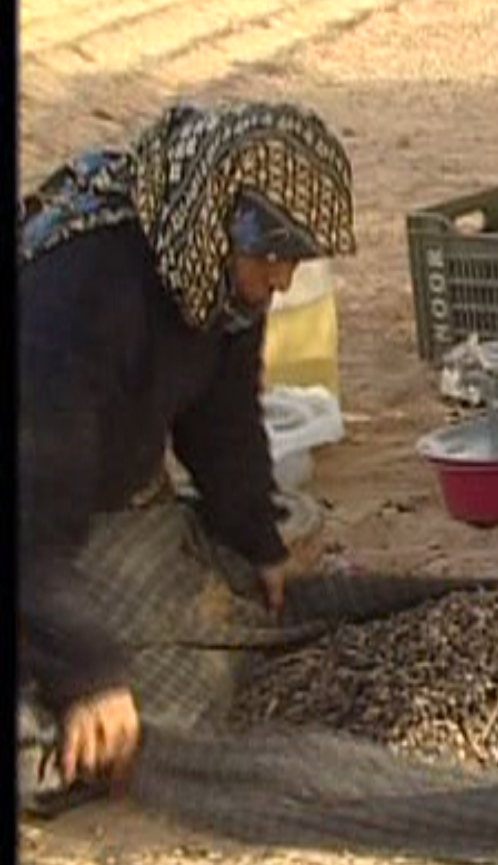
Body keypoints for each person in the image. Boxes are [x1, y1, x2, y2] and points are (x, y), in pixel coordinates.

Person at [17, 101, 357, 793]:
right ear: (216, 221)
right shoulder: (81, 297)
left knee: (210, 646)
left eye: (294, 261)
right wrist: (87, 672)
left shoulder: (214, 283)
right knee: (110, 710)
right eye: (270, 256)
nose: (281, 282)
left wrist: (258, 540)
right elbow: (32, 508)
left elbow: (223, 421)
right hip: (38, 499)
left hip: (102, 496)